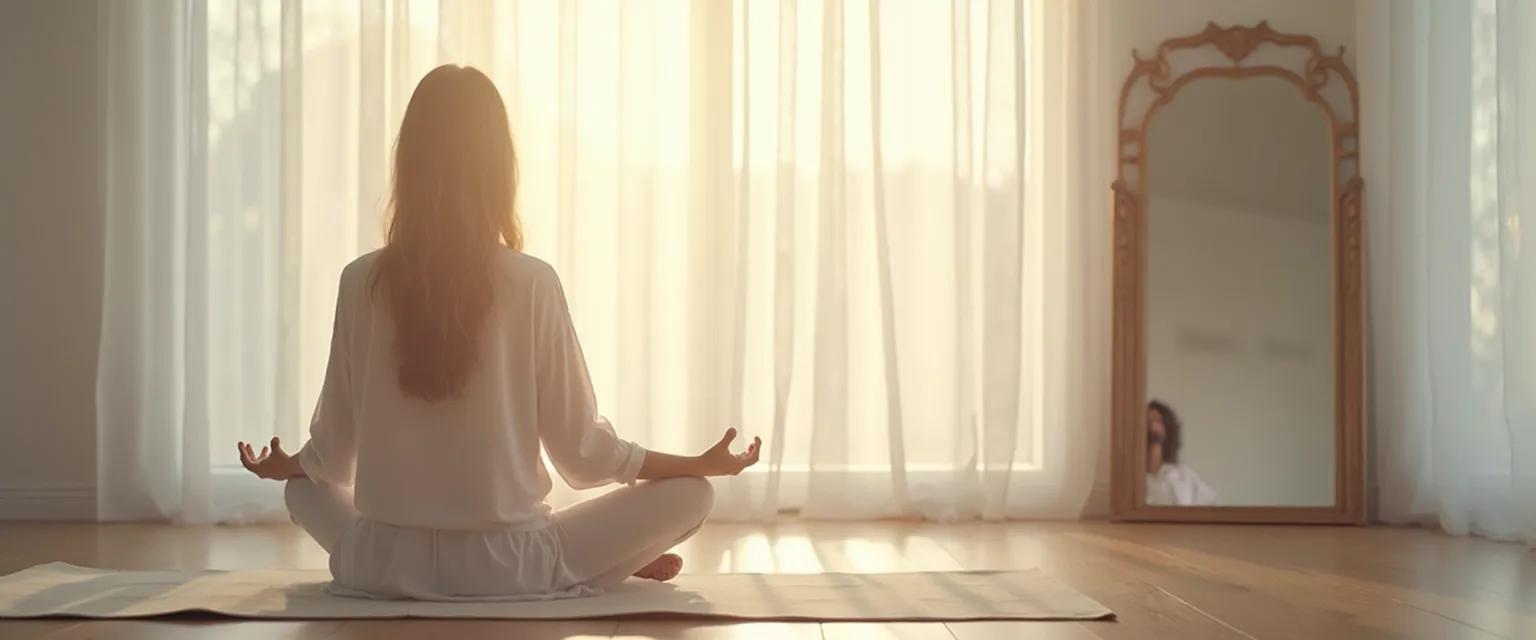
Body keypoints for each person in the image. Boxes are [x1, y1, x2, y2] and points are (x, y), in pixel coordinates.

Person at [234, 64, 762, 601]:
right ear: (500, 169)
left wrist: (289, 466)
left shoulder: (360, 280)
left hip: (381, 563)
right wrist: (699, 465)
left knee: (301, 491)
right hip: (511, 568)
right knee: (692, 495)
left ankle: (603, 563)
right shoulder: (531, 281)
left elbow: (332, 456)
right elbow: (585, 456)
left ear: (408, 165)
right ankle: (605, 564)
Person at [1145, 400, 1219, 506]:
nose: (1153, 427)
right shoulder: (1130, 478)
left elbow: (1215, 505)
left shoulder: (1184, 476)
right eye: (1148, 421)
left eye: (1158, 421)